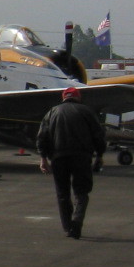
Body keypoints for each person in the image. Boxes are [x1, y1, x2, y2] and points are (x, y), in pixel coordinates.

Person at [35, 86, 106, 239]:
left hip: (58, 158)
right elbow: (98, 135)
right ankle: (77, 222)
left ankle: (68, 227)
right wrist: (100, 155)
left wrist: (43, 158)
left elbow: (42, 137)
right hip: (81, 157)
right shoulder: (87, 111)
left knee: (62, 193)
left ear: (63, 97)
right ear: (78, 97)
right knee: (81, 192)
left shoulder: (52, 112)